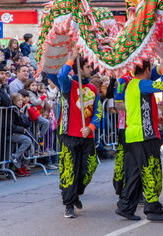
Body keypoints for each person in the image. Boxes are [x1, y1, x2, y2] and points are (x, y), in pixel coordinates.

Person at [116, 58, 163, 222]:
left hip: (134, 135)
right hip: (144, 136)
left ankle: (125, 206)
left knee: (135, 174)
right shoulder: (141, 84)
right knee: (151, 171)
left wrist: (157, 119)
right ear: (147, 70)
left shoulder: (131, 85)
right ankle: (153, 208)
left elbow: (142, 110)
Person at [48, 46, 102, 218]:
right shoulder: (69, 84)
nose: (91, 69)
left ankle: (75, 192)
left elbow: (98, 112)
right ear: (80, 68)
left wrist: (90, 128)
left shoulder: (93, 89)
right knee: (70, 170)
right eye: (88, 67)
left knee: (89, 168)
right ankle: (69, 203)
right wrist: (72, 58)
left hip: (87, 136)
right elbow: (61, 75)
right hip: (68, 134)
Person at [112, 71, 134, 196]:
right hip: (125, 126)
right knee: (125, 159)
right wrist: (136, 107)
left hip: (137, 126)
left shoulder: (140, 79)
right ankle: (122, 189)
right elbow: (118, 104)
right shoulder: (123, 80)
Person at [9, 93, 34, 177]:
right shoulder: (12, 110)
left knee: (31, 148)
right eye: (18, 100)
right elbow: (11, 126)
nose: (20, 102)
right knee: (27, 141)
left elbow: (27, 123)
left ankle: (23, 166)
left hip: (20, 132)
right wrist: (21, 129)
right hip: (13, 133)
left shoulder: (20, 110)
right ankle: (16, 161)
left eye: (21, 100)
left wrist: (22, 115)